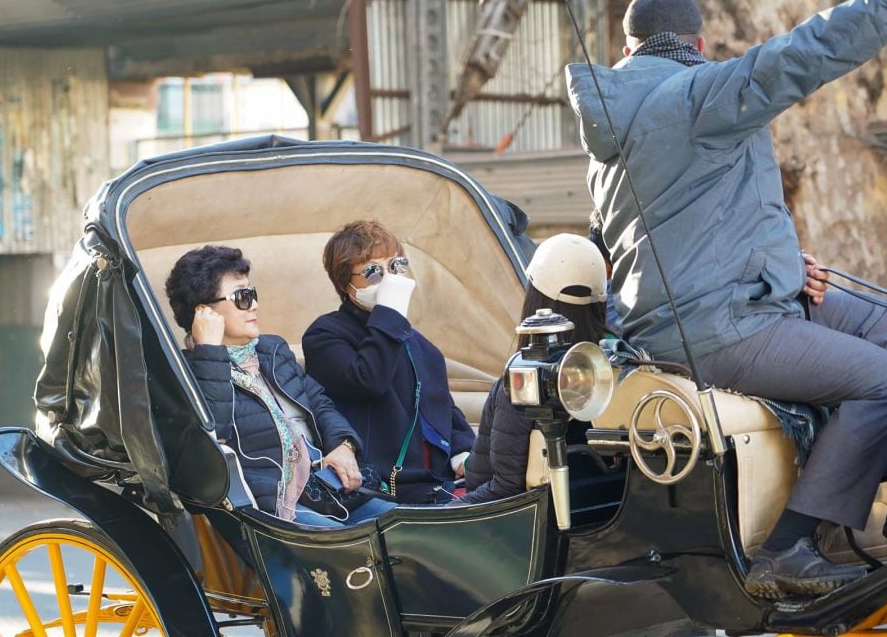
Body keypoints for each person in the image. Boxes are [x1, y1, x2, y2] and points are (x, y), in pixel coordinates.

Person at [565, 0, 887, 597]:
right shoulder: (697, 94)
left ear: (629, 49)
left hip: (702, 307)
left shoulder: (613, 129)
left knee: (877, 320)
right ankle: (789, 548)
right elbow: (803, 54)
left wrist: (782, 263)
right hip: (719, 327)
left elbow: (657, 231)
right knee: (883, 379)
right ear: (696, 42)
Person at [166, 245, 395, 527]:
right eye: (242, 297)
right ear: (203, 312)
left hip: (325, 489)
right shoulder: (186, 373)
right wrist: (211, 354)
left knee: (412, 531)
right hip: (273, 508)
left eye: (253, 294)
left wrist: (343, 445)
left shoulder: (272, 349)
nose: (255, 305)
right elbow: (212, 442)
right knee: (355, 546)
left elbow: (320, 403)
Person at [302, 220, 475, 504]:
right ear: (345, 283)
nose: (389, 279)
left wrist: (462, 451)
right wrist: (389, 313)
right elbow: (369, 380)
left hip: (439, 480)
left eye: (395, 266)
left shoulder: (418, 343)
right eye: (372, 271)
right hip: (383, 486)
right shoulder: (325, 335)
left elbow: (442, 406)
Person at [459, 233, 609, 505]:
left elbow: (505, 489)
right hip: (598, 507)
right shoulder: (614, 365)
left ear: (534, 296)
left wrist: (446, 511)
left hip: (504, 525)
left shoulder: (525, 377)